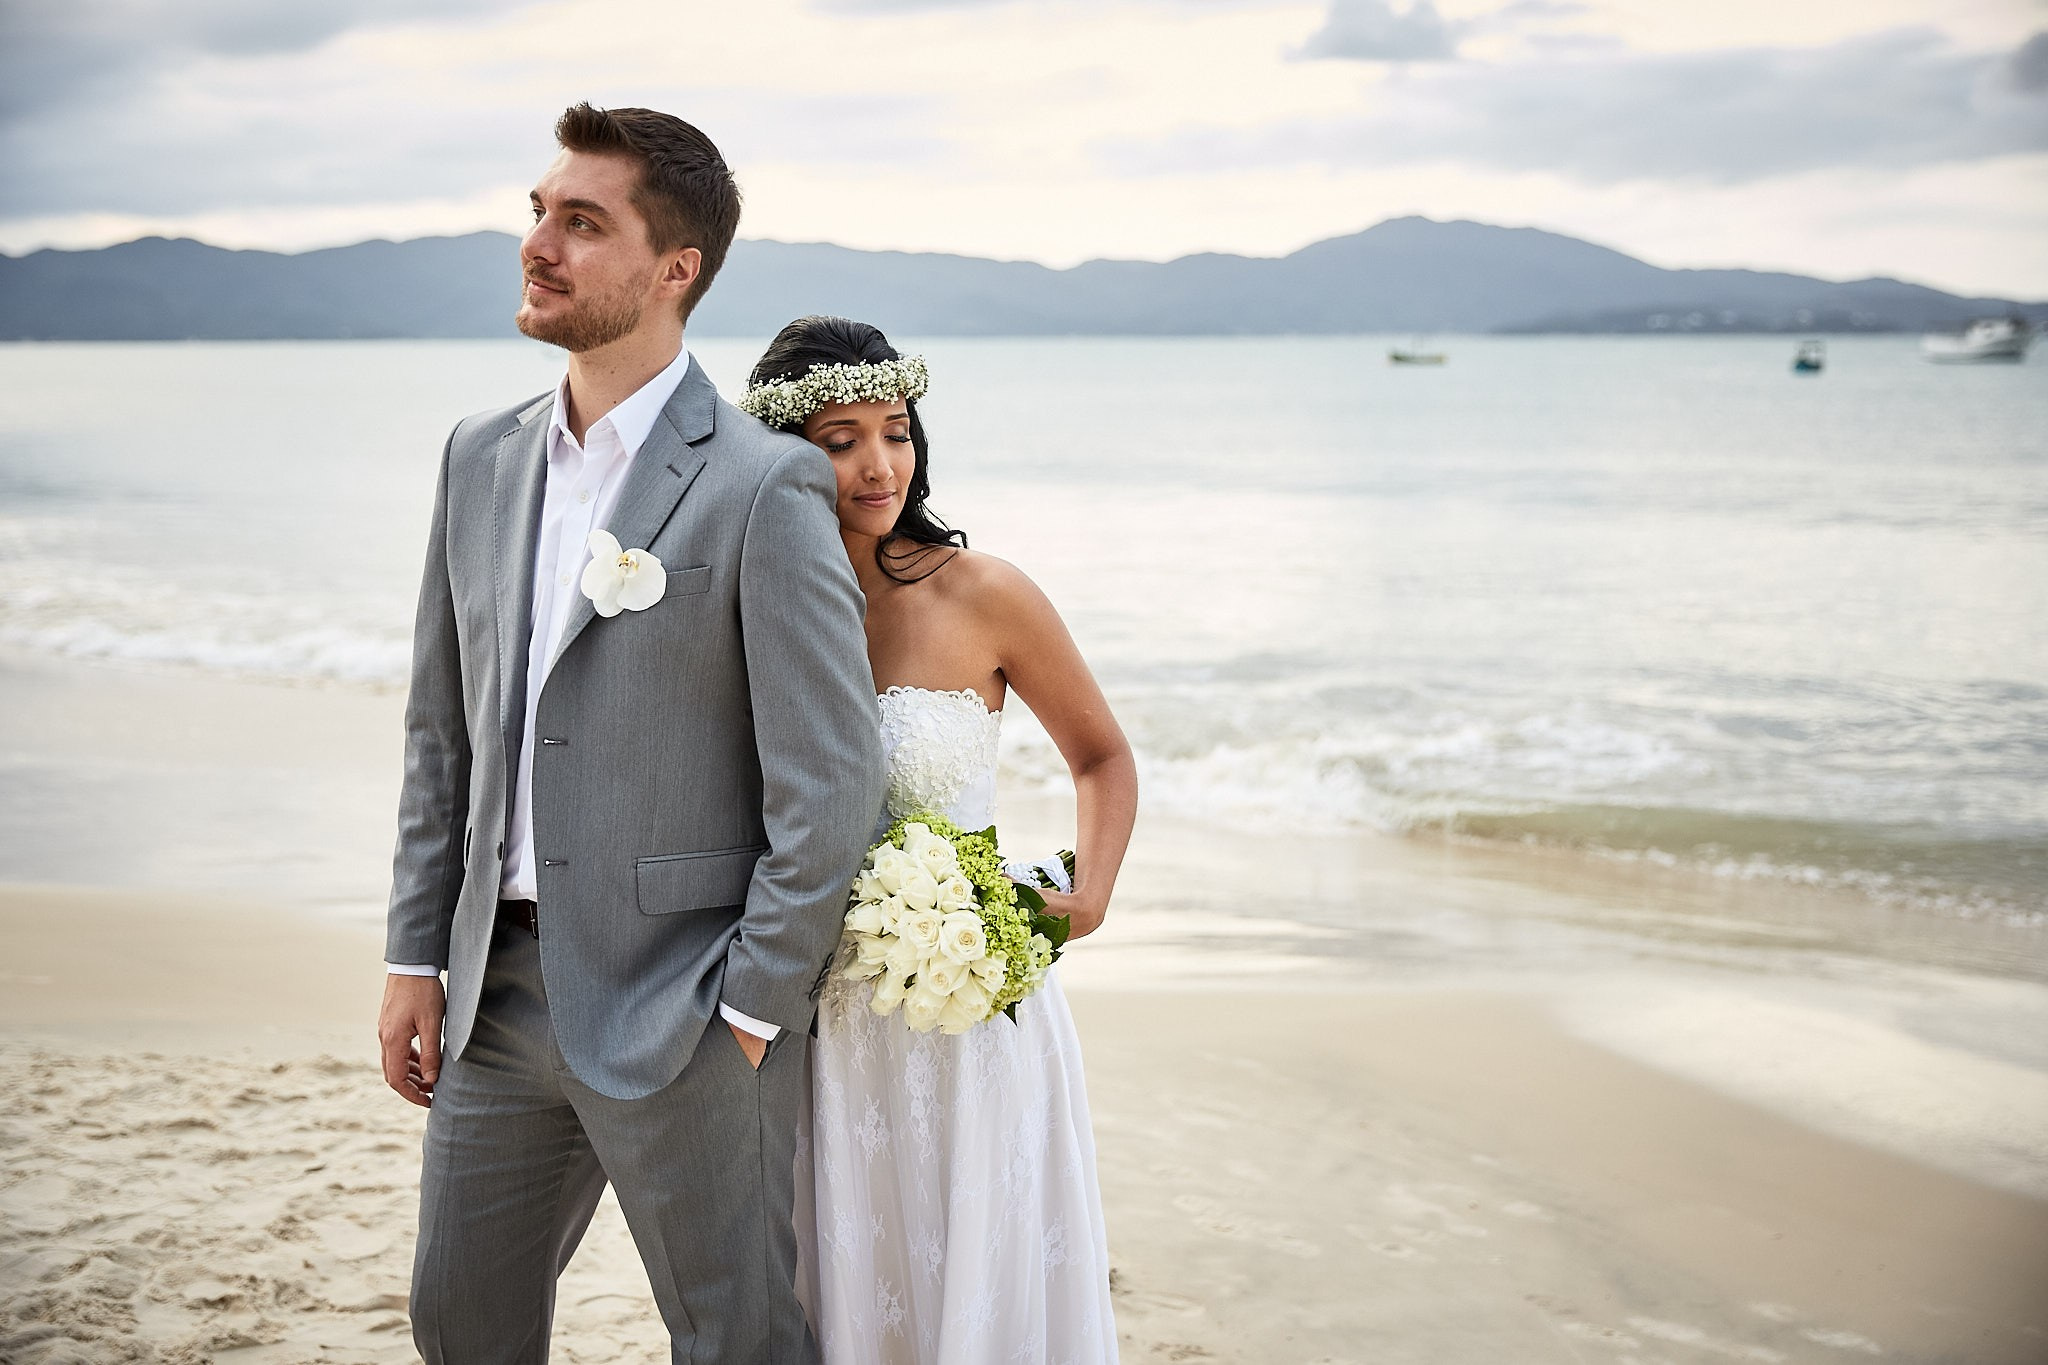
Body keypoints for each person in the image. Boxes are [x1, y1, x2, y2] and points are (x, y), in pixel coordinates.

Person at [375, 106, 883, 1363]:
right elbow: (443, 732)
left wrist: (751, 1005)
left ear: (674, 269)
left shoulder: (761, 482)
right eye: (538, 213)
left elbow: (829, 779)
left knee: (735, 1336)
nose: (538, 244)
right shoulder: (478, 458)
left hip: (684, 1004)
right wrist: (414, 954)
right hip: (493, 998)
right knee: (458, 1324)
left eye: (581, 223)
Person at [741, 317, 1139, 1363]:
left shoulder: (982, 592)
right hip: (817, 1012)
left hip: (969, 1000)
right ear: (782, 456)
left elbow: (1101, 756)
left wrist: (1089, 892)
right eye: (840, 441)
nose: (880, 465)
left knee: (977, 1267)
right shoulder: (755, 604)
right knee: (844, 1267)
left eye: (897, 431)